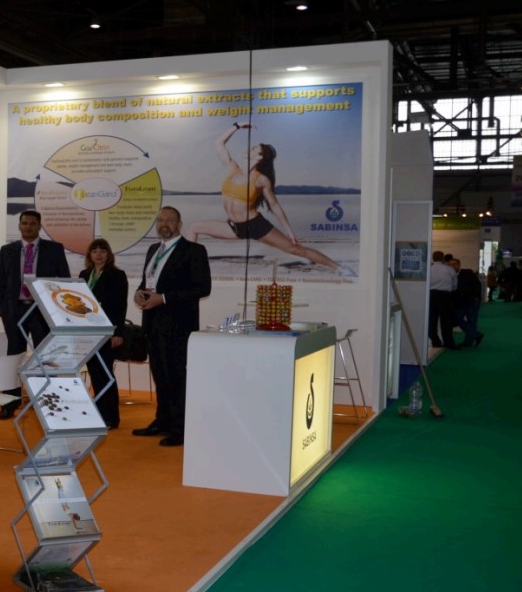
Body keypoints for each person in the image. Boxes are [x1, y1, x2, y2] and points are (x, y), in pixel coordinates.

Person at [185, 122, 353, 276]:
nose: (249, 149)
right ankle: (186, 266)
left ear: (260, 157)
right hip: (234, 227)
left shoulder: (261, 180)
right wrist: (237, 126)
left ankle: (339, 267)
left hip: (255, 225)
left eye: (253, 149)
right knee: (193, 227)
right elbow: (218, 143)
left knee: (295, 249)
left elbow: (274, 205)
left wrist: (289, 231)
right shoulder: (232, 169)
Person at [133, 206, 211, 447]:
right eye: (160, 220)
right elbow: (148, 281)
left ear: (179, 224)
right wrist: (139, 293)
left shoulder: (194, 251)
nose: (163, 224)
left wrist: (164, 298)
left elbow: (203, 288)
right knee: (159, 376)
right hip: (153, 323)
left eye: (169, 220)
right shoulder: (153, 250)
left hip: (178, 325)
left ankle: (180, 429)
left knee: (176, 377)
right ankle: (162, 421)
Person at [0, 209, 71, 419]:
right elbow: (0, 282)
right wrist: (2, 311)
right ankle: (10, 402)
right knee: (14, 357)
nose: (28, 227)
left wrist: (57, 312)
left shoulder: (54, 249)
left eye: (32, 223)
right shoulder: (7, 250)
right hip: (14, 311)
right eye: (24, 223)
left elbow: (63, 281)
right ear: (19, 225)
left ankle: (47, 402)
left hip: (41, 310)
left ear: (39, 226)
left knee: (44, 358)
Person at [78, 238, 129, 429]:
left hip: (108, 332)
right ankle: (99, 414)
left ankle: (111, 417)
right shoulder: (84, 275)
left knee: (106, 374)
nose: (98, 254)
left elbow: (121, 306)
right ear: (89, 255)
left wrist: (117, 332)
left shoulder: (117, 275)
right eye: (95, 251)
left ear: (109, 254)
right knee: (94, 374)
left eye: (102, 251)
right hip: (88, 332)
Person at [428, 250, 459, 349]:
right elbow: (455, 284)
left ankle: (435, 341)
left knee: (432, 320)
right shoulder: (449, 269)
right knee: (446, 321)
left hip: (431, 295)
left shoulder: (428, 269)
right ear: (443, 258)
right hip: (445, 296)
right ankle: (448, 342)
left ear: (433, 258)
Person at [452, 259, 485, 347]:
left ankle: (468, 342)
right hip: (460, 303)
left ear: (459, 265)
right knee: (457, 319)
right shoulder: (451, 275)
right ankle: (476, 335)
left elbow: (477, 284)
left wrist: (476, 297)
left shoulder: (467, 272)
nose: (452, 266)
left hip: (472, 301)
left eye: (454, 264)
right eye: (450, 264)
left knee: (471, 321)